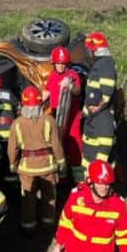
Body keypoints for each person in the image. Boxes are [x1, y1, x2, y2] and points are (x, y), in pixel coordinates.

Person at [7, 85, 67, 233]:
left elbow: (12, 148)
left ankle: (29, 227)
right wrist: (62, 163)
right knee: (49, 196)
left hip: (27, 168)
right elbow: (57, 145)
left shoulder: (17, 124)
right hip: (47, 166)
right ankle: (48, 223)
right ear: (41, 102)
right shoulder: (49, 121)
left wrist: (13, 165)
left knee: (28, 199)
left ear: (23, 103)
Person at [42, 45, 83, 178]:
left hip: (72, 115)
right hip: (57, 115)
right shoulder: (53, 75)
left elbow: (78, 91)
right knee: (58, 141)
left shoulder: (72, 74)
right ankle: (63, 173)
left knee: (74, 141)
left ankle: (78, 175)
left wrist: (70, 86)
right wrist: (36, 101)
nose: (61, 66)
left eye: (63, 64)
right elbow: (47, 92)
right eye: (58, 64)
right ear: (54, 63)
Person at [81, 31, 117, 172]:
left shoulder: (105, 65)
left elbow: (106, 93)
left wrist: (96, 108)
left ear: (94, 50)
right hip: (94, 113)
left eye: (90, 50)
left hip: (99, 112)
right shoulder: (100, 64)